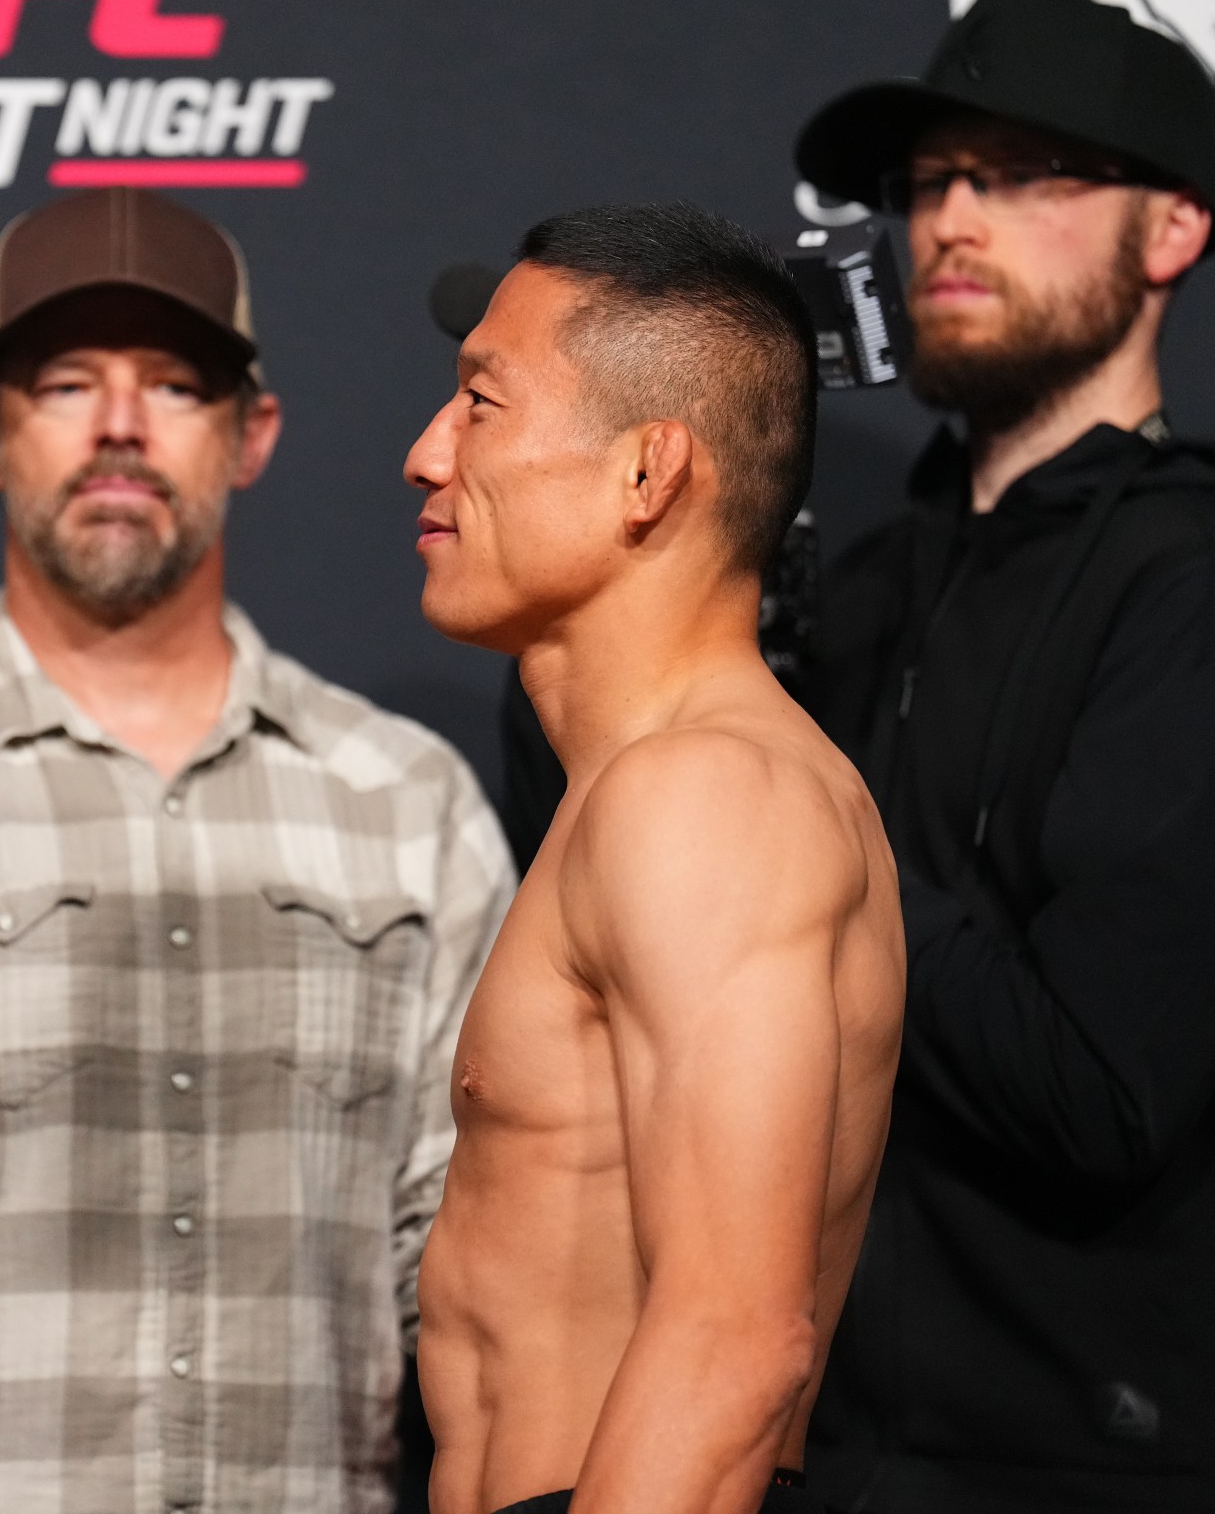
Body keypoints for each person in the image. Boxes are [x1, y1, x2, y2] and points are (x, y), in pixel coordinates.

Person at [0, 186, 515, 1514]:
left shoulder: (409, 801)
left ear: (253, 436)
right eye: (67, 384)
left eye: (177, 387)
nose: (122, 428)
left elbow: (476, 1288)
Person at [791, 0, 1215, 1513]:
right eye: (933, 181)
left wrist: (816, 830)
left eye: (1027, 177)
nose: (952, 219)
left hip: (1107, 1462)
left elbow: (1095, 1088)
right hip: (826, 1454)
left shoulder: (1206, 581)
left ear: (1174, 234)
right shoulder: (855, 593)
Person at [408, 203, 904, 1514]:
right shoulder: (637, 788)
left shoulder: (706, 795)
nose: (424, 455)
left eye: (479, 404)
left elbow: (737, 1342)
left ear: (648, 474)